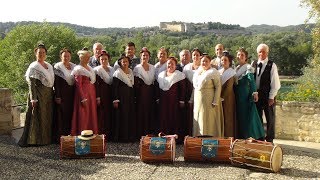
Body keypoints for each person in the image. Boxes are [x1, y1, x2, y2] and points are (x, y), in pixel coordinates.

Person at [18, 43, 54, 147]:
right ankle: (35, 140)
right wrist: (33, 99)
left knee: (46, 117)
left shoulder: (49, 66)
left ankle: (46, 139)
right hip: (38, 95)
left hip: (48, 96)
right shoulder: (34, 66)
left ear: (46, 54)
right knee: (37, 117)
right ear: (36, 54)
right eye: (39, 53)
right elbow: (31, 84)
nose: (41, 54)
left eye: (43, 52)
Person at [234, 47, 265, 140]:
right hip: (236, 96)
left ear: (246, 57)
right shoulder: (236, 68)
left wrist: (255, 93)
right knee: (239, 117)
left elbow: (251, 81)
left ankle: (249, 137)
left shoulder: (248, 67)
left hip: (244, 96)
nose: (240, 56)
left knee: (246, 117)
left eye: (242, 55)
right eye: (238, 55)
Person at [252, 44, 281, 142]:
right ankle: (259, 138)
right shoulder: (253, 63)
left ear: (267, 53)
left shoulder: (272, 65)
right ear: (257, 53)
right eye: (260, 51)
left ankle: (269, 139)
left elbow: (275, 82)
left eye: (263, 51)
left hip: (268, 95)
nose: (261, 53)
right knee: (258, 117)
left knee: (270, 118)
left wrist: (271, 96)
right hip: (257, 96)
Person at [193, 55, 224, 137]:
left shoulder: (213, 72)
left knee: (208, 119)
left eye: (206, 61)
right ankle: (199, 137)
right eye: (203, 61)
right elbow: (195, 88)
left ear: (210, 62)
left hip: (209, 100)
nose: (204, 63)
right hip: (199, 100)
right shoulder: (198, 72)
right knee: (199, 118)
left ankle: (210, 138)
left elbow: (218, 86)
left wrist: (215, 101)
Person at [70, 48, 98, 136]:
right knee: (84, 114)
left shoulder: (89, 68)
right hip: (84, 95)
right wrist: (82, 98)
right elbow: (78, 85)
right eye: (86, 57)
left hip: (91, 94)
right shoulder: (78, 69)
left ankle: (91, 132)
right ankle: (82, 133)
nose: (88, 59)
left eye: (88, 57)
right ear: (81, 58)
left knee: (90, 113)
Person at [157, 57, 186, 142]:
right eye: (169, 63)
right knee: (164, 117)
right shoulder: (161, 75)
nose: (170, 65)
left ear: (175, 65)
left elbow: (183, 89)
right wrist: (158, 98)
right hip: (163, 101)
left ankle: (174, 137)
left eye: (172, 63)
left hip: (174, 101)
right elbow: (157, 88)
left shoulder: (179, 75)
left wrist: (182, 100)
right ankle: (164, 136)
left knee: (174, 117)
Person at [52, 48, 76, 143]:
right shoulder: (58, 67)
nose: (66, 58)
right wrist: (57, 95)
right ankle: (61, 137)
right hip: (62, 94)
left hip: (72, 94)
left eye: (68, 56)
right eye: (64, 56)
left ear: (70, 56)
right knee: (62, 115)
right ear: (61, 57)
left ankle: (70, 134)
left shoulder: (74, 66)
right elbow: (56, 83)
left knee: (71, 114)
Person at [112, 55, 136, 142]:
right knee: (123, 116)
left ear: (129, 63)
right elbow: (114, 88)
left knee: (130, 115)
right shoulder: (117, 73)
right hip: (121, 98)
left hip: (129, 97)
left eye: (126, 61)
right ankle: (122, 137)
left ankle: (130, 136)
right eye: (123, 62)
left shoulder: (130, 71)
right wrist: (115, 100)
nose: (125, 63)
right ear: (120, 63)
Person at [133, 47, 155, 136]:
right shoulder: (137, 68)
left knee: (150, 111)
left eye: (146, 55)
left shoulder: (153, 68)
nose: (145, 57)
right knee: (142, 112)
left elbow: (154, 81)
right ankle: (141, 132)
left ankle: (150, 132)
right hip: (141, 94)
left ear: (149, 57)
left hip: (151, 93)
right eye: (143, 55)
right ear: (140, 56)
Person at [182, 48, 202, 136]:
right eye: (194, 55)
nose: (195, 57)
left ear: (200, 57)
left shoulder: (202, 68)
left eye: (197, 55)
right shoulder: (186, 67)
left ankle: (196, 133)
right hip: (187, 92)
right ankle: (186, 134)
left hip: (198, 93)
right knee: (186, 114)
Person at [94, 50, 114, 136]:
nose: (104, 61)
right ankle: (101, 132)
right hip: (102, 93)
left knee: (109, 112)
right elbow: (96, 85)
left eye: (105, 59)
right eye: (102, 59)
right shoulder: (97, 70)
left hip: (110, 93)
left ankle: (109, 132)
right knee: (101, 113)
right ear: (99, 60)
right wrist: (97, 97)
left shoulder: (112, 70)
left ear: (108, 59)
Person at [218, 51, 236, 137]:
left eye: (225, 60)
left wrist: (222, 98)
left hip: (228, 98)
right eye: (222, 60)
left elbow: (229, 88)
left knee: (228, 116)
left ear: (229, 62)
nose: (223, 62)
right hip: (219, 97)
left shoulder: (231, 72)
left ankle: (229, 136)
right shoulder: (219, 71)